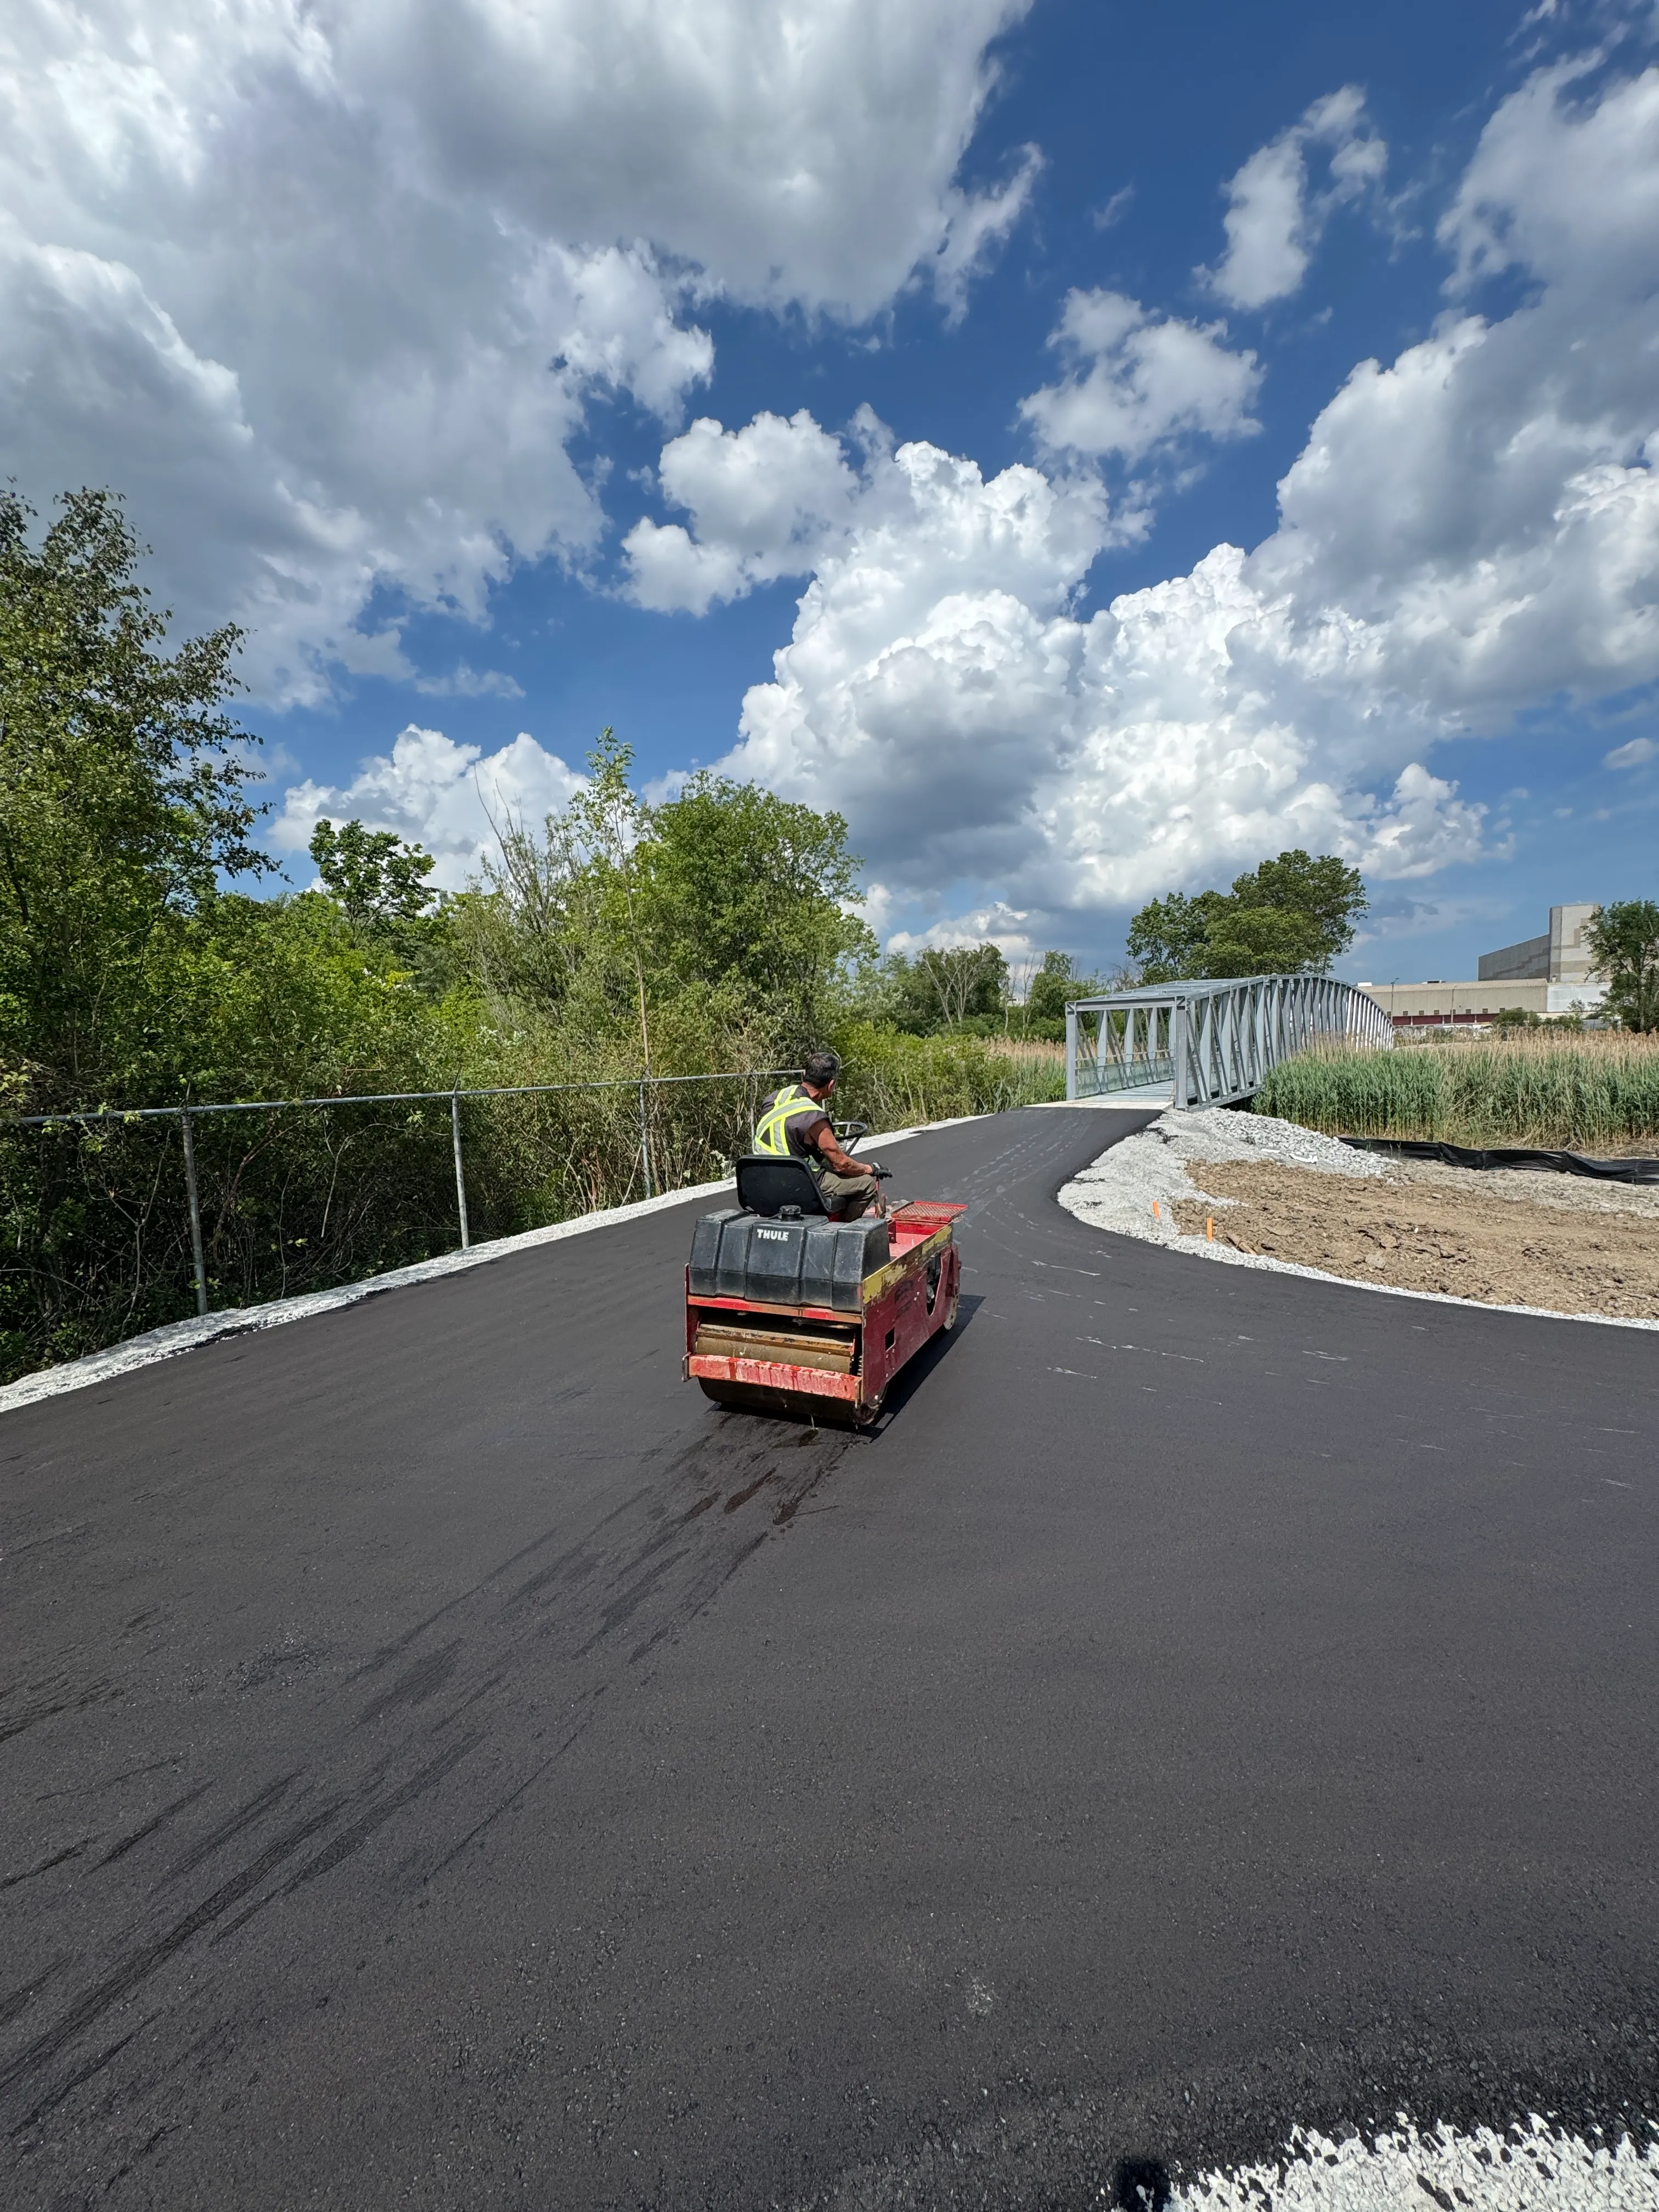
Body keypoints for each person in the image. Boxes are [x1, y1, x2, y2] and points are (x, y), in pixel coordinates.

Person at [752, 1051, 887, 1219]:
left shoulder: (775, 1098)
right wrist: (870, 1168)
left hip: (763, 1179)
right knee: (866, 1184)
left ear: (804, 1075)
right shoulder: (814, 1117)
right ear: (831, 1085)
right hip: (798, 1183)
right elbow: (841, 1164)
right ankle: (841, 1232)